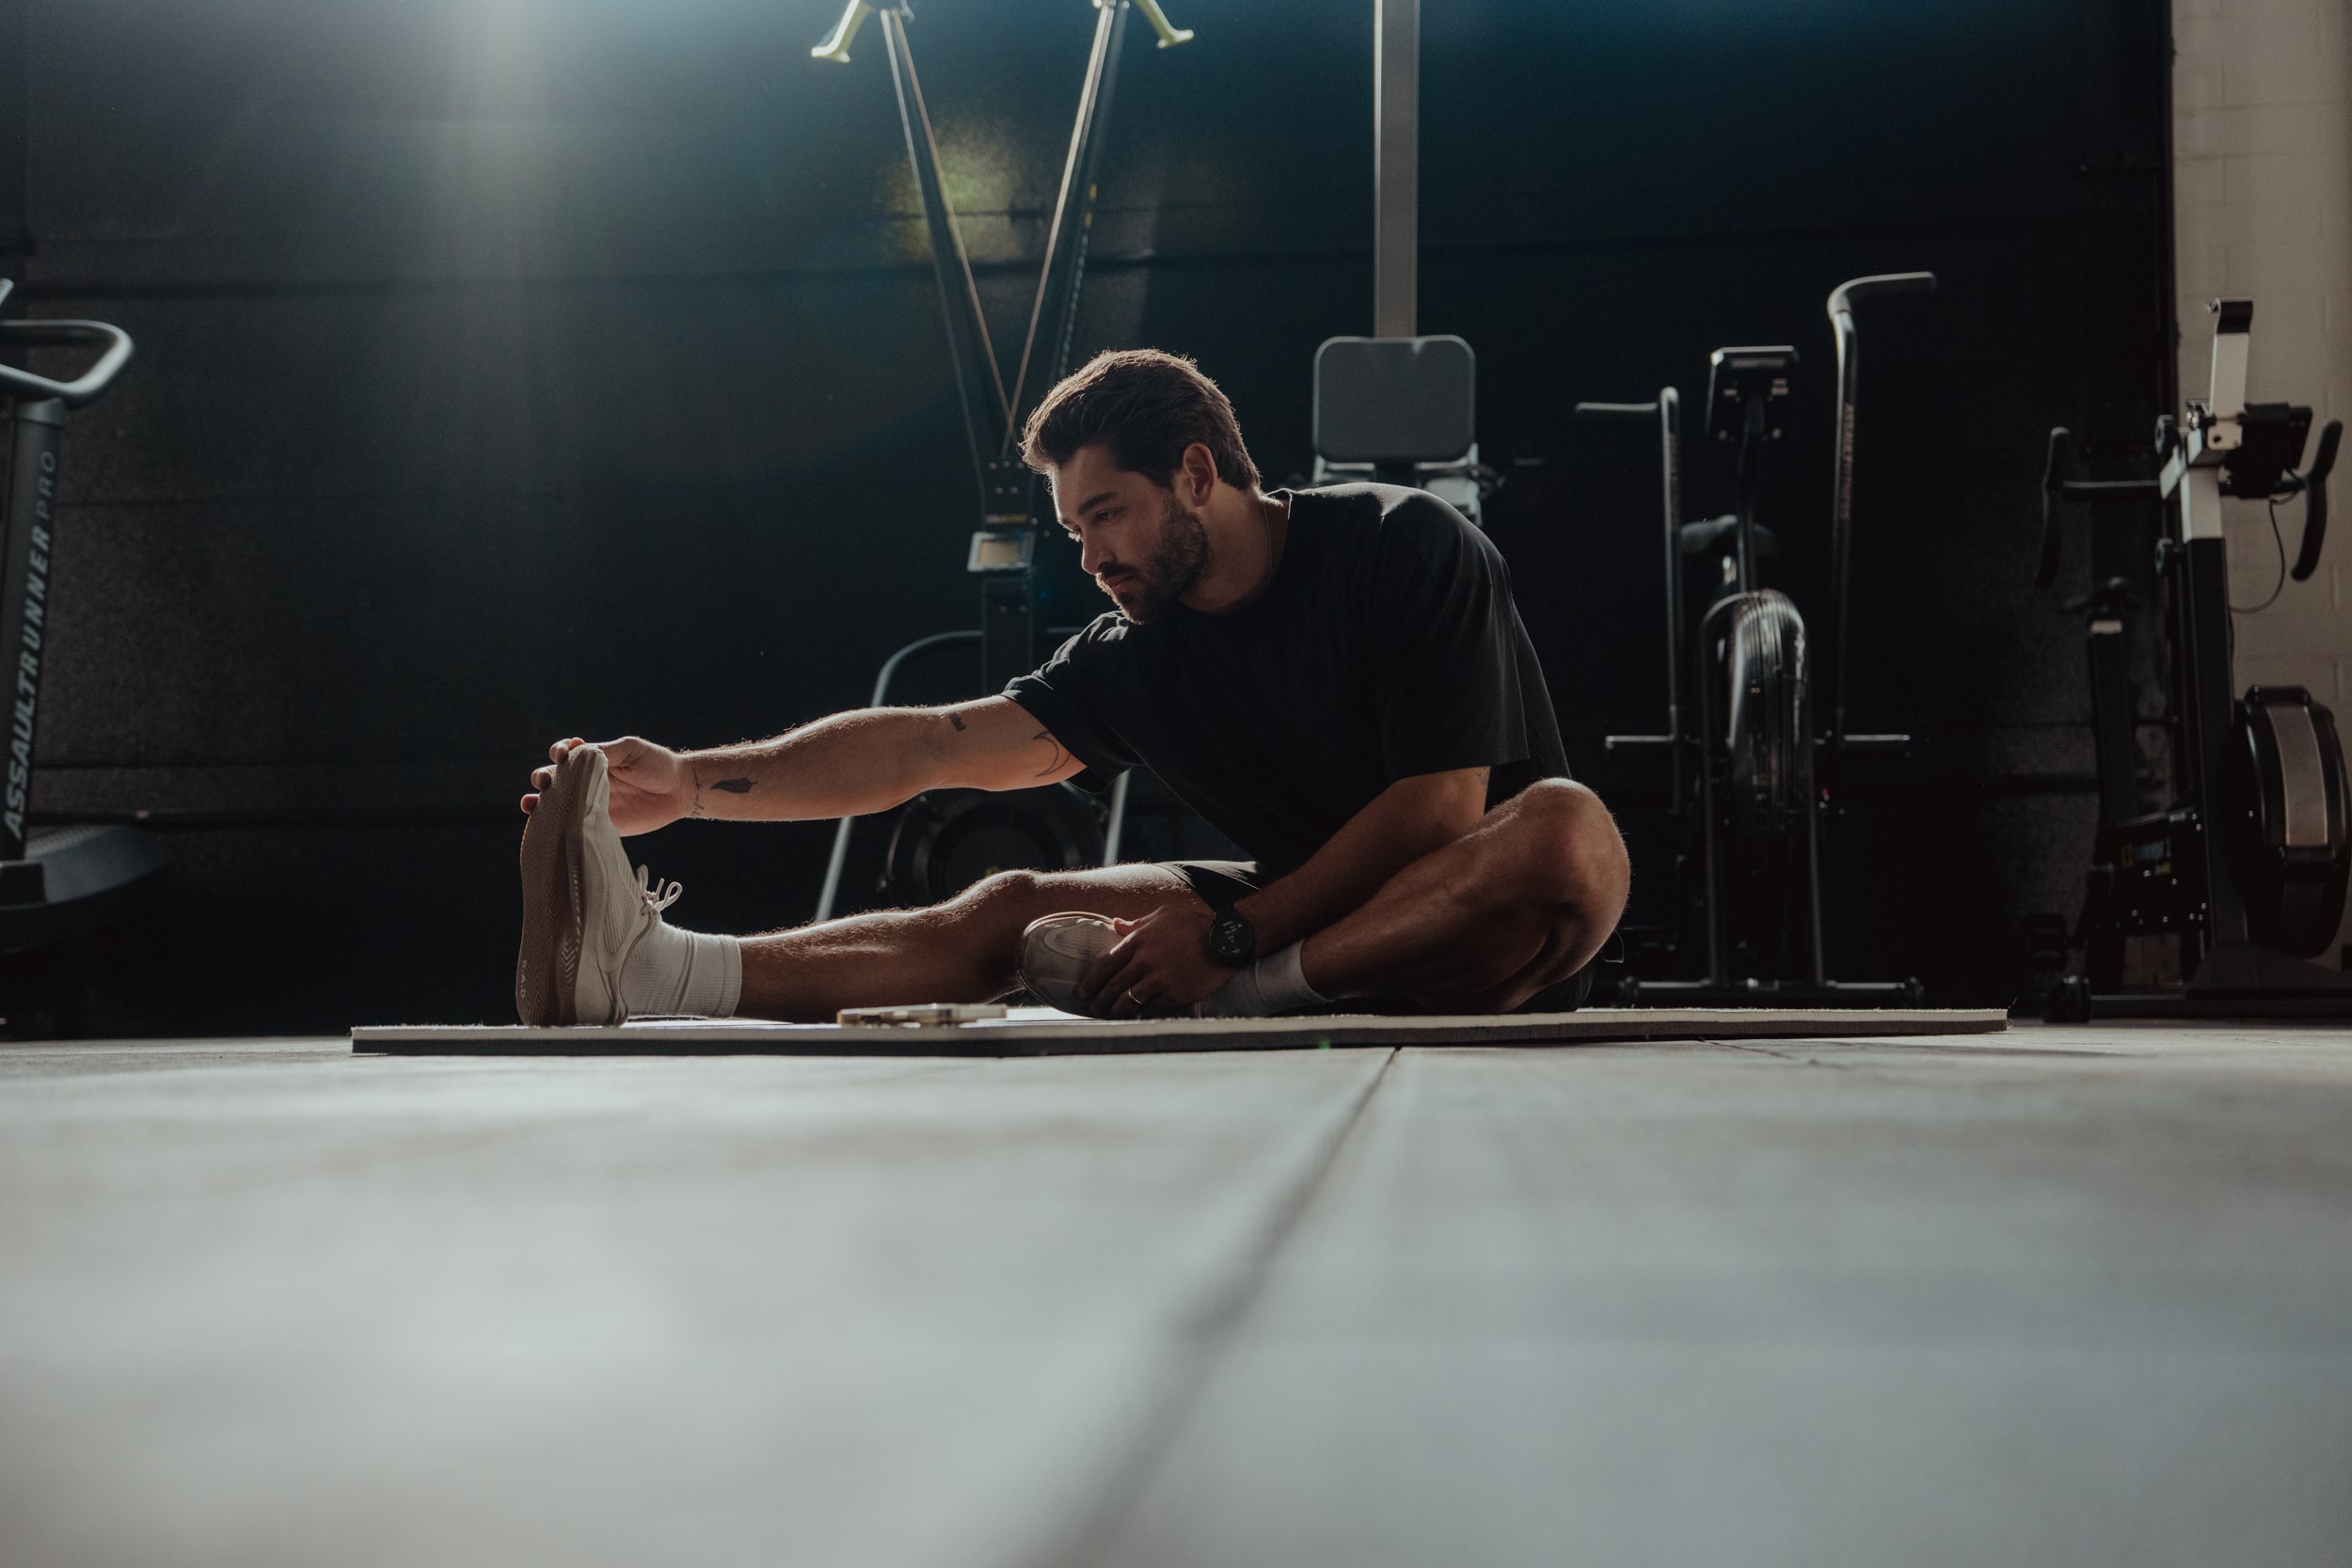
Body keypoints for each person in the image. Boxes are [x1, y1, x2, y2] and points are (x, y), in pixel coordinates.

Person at [516, 349, 1629, 1025]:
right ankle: (659, 973)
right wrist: (692, 780)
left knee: (1567, 831)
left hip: (1482, 929)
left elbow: (1437, 814)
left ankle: (1239, 998)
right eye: (1074, 529)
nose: (1091, 556)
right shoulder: (1137, 646)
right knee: (1015, 904)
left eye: (1107, 515)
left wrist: (1225, 942)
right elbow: (933, 744)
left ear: (1196, 472)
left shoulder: (1403, 544)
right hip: (1295, 927)